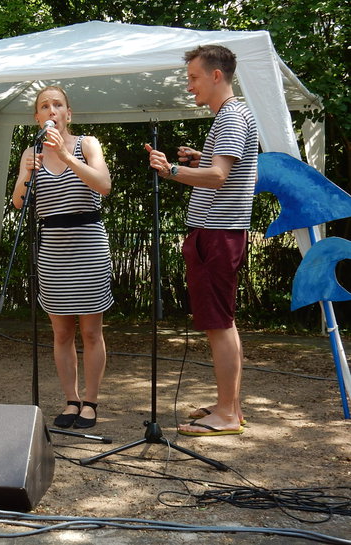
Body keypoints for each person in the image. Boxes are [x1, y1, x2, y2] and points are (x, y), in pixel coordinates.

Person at [146, 45, 258, 436]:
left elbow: (218, 178)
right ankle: (230, 405)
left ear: (215, 76)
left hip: (216, 234)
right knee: (222, 322)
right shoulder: (236, 115)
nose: (189, 85)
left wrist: (171, 169)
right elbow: (223, 167)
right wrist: (199, 157)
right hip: (219, 232)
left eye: (194, 77)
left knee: (219, 324)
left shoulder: (230, 117)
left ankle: (227, 414)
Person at [12, 85, 113, 429]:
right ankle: (70, 399)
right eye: (44, 106)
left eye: (58, 105)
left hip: (88, 245)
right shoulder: (32, 152)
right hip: (53, 248)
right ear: (37, 117)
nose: (51, 110)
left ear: (68, 114)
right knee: (61, 334)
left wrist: (68, 158)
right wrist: (26, 171)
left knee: (90, 332)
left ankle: (91, 401)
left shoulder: (87, 144)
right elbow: (19, 204)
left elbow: (103, 185)